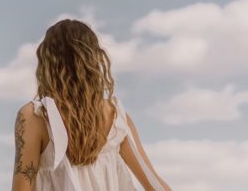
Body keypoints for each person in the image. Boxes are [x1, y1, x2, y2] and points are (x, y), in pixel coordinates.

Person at [11, 19, 172, 191]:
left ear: (48, 65)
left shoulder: (34, 116)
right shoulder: (116, 116)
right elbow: (154, 184)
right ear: (94, 61)